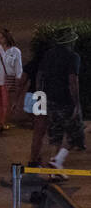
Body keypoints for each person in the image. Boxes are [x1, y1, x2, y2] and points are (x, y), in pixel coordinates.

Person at [37, 27, 85, 171]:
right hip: (66, 101)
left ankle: (54, 170)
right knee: (76, 134)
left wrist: (40, 96)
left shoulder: (49, 55)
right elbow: (73, 80)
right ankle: (58, 160)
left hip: (50, 100)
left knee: (55, 135)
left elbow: (40, 75)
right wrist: (76, 104)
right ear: (70, 42)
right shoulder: (73, 57)